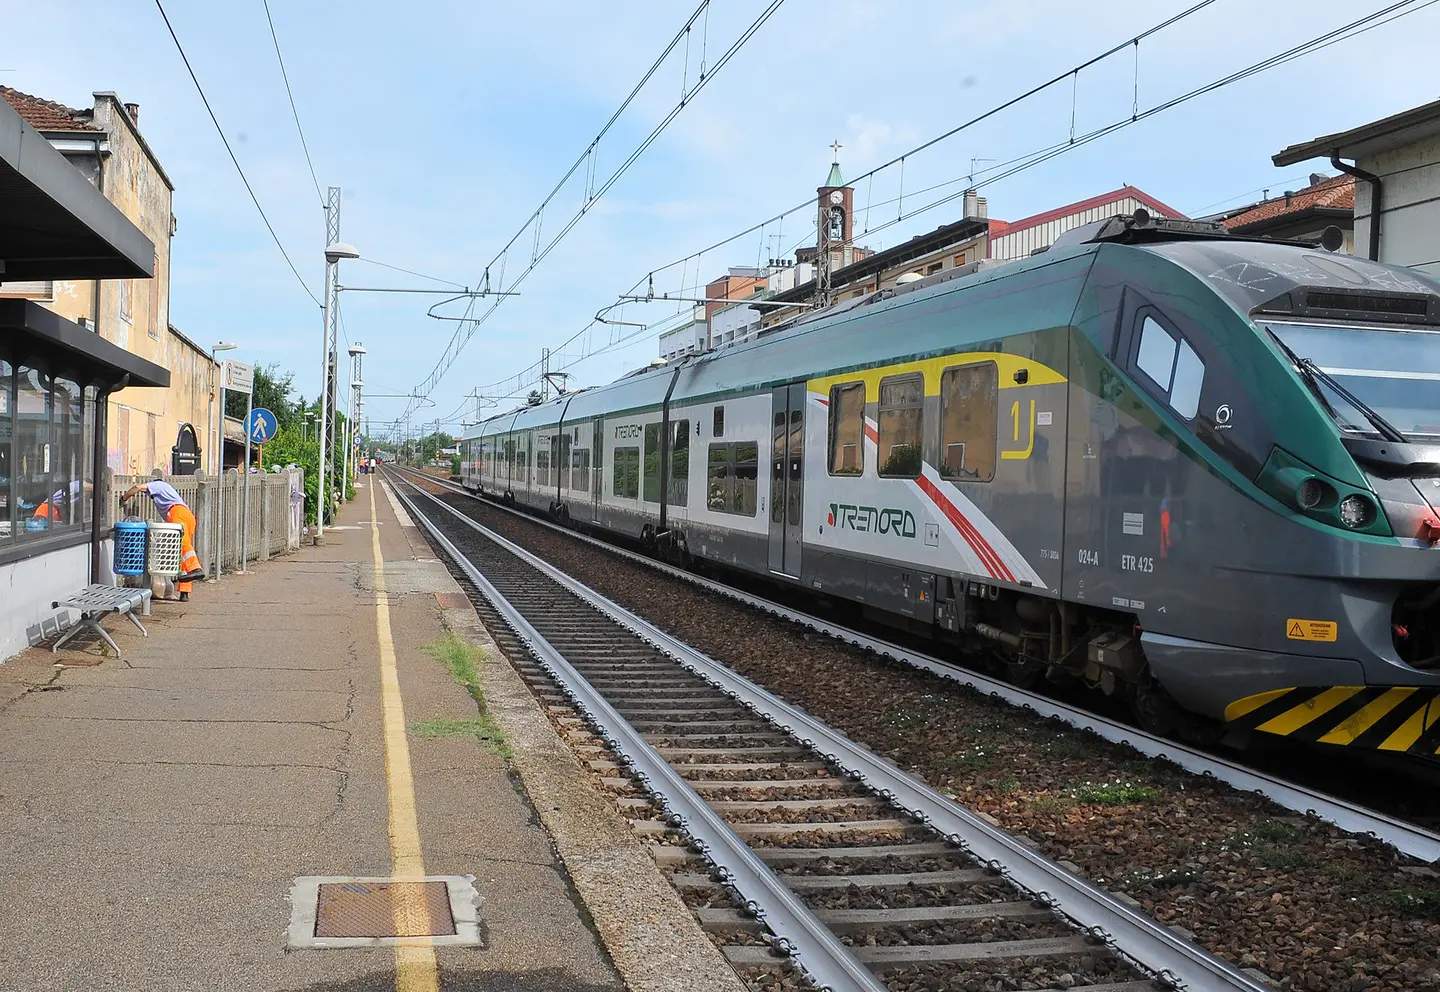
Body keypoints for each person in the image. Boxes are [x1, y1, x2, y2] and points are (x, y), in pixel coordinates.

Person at [121, 479, 205, 600]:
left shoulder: (158, 485)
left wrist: (124, 498)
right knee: (183, 551)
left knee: (183, 545)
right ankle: (185, 591)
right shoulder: (167, 491)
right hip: (187, 515)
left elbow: (137, 487)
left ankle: (195, 568)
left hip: (177, 513)